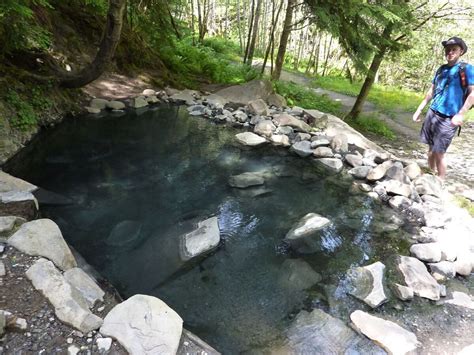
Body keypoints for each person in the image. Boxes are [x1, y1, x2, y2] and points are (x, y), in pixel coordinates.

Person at [413, 36, 474, 180]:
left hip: (449, 117)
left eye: (454, 49)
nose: (450, 52)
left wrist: (461, 114)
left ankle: (440, 180)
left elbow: (473, 93)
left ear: (461, 52)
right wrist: (419, 109)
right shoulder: (441, 69)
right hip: (432, 113)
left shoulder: (467, 69)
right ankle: (430, 174)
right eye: (448, 49)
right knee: (430, 148)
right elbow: (431, 91)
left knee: (439, 152)